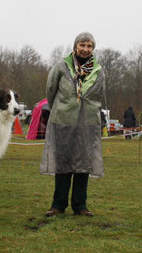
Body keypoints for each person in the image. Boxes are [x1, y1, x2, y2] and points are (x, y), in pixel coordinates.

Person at [41, 32, 105, 217]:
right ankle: (58, 205)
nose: (85, 49)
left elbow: (99, 95)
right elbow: (51, 91)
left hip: (87, 123)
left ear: (93, 49)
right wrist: (62, 110)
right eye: (82, 45)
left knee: (83, 164)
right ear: (75, 46)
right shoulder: (61, 67)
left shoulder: (99, 70)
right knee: (63, 163)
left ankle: (80, 205)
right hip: (63, 122)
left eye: (89, 46)